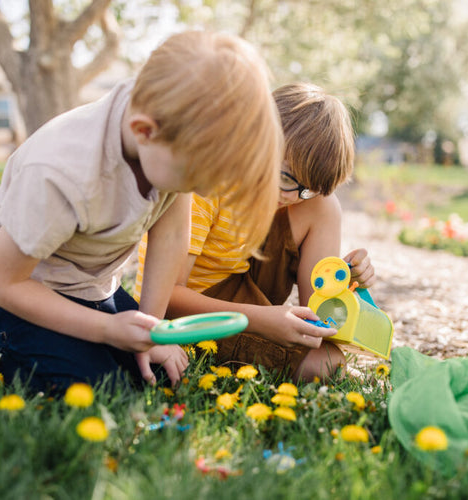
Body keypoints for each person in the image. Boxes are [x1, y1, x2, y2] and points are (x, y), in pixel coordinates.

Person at [0, 31, 283, 394]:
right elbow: (4, 283)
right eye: (196, 179)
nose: (203, 191)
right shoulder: (62, 172)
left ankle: (33, 340)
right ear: (144, 131)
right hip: (18, 285)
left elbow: (170, 237)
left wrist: (151, 330)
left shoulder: (171, 135)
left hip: (88, 284)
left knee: (158, 375)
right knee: (100, 389)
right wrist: (105, 330)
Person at [134, 83, 376, 382]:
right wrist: (259, 320)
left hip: (242, 281)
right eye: (286, 176)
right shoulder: (206, 185)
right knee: (326, 364)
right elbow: (164, 297)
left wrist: (344, 282)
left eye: (307, 188)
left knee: (325, 205)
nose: (291, 196)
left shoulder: (301, 197)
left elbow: (319, 314)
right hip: (190, 309)